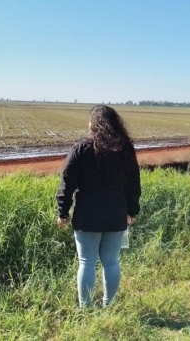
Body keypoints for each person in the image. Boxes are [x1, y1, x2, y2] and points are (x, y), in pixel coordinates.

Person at [56, 105, 141, 309]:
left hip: (87, 217)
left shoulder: (82, 149)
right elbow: (134, 183)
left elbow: (67, 183)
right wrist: (131, 210)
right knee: (111, 262)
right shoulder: (125, 149)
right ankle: (108, 306)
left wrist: (62, 212)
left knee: (87, 262)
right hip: (116, 216)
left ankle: (86, 308)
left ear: (94, 124)